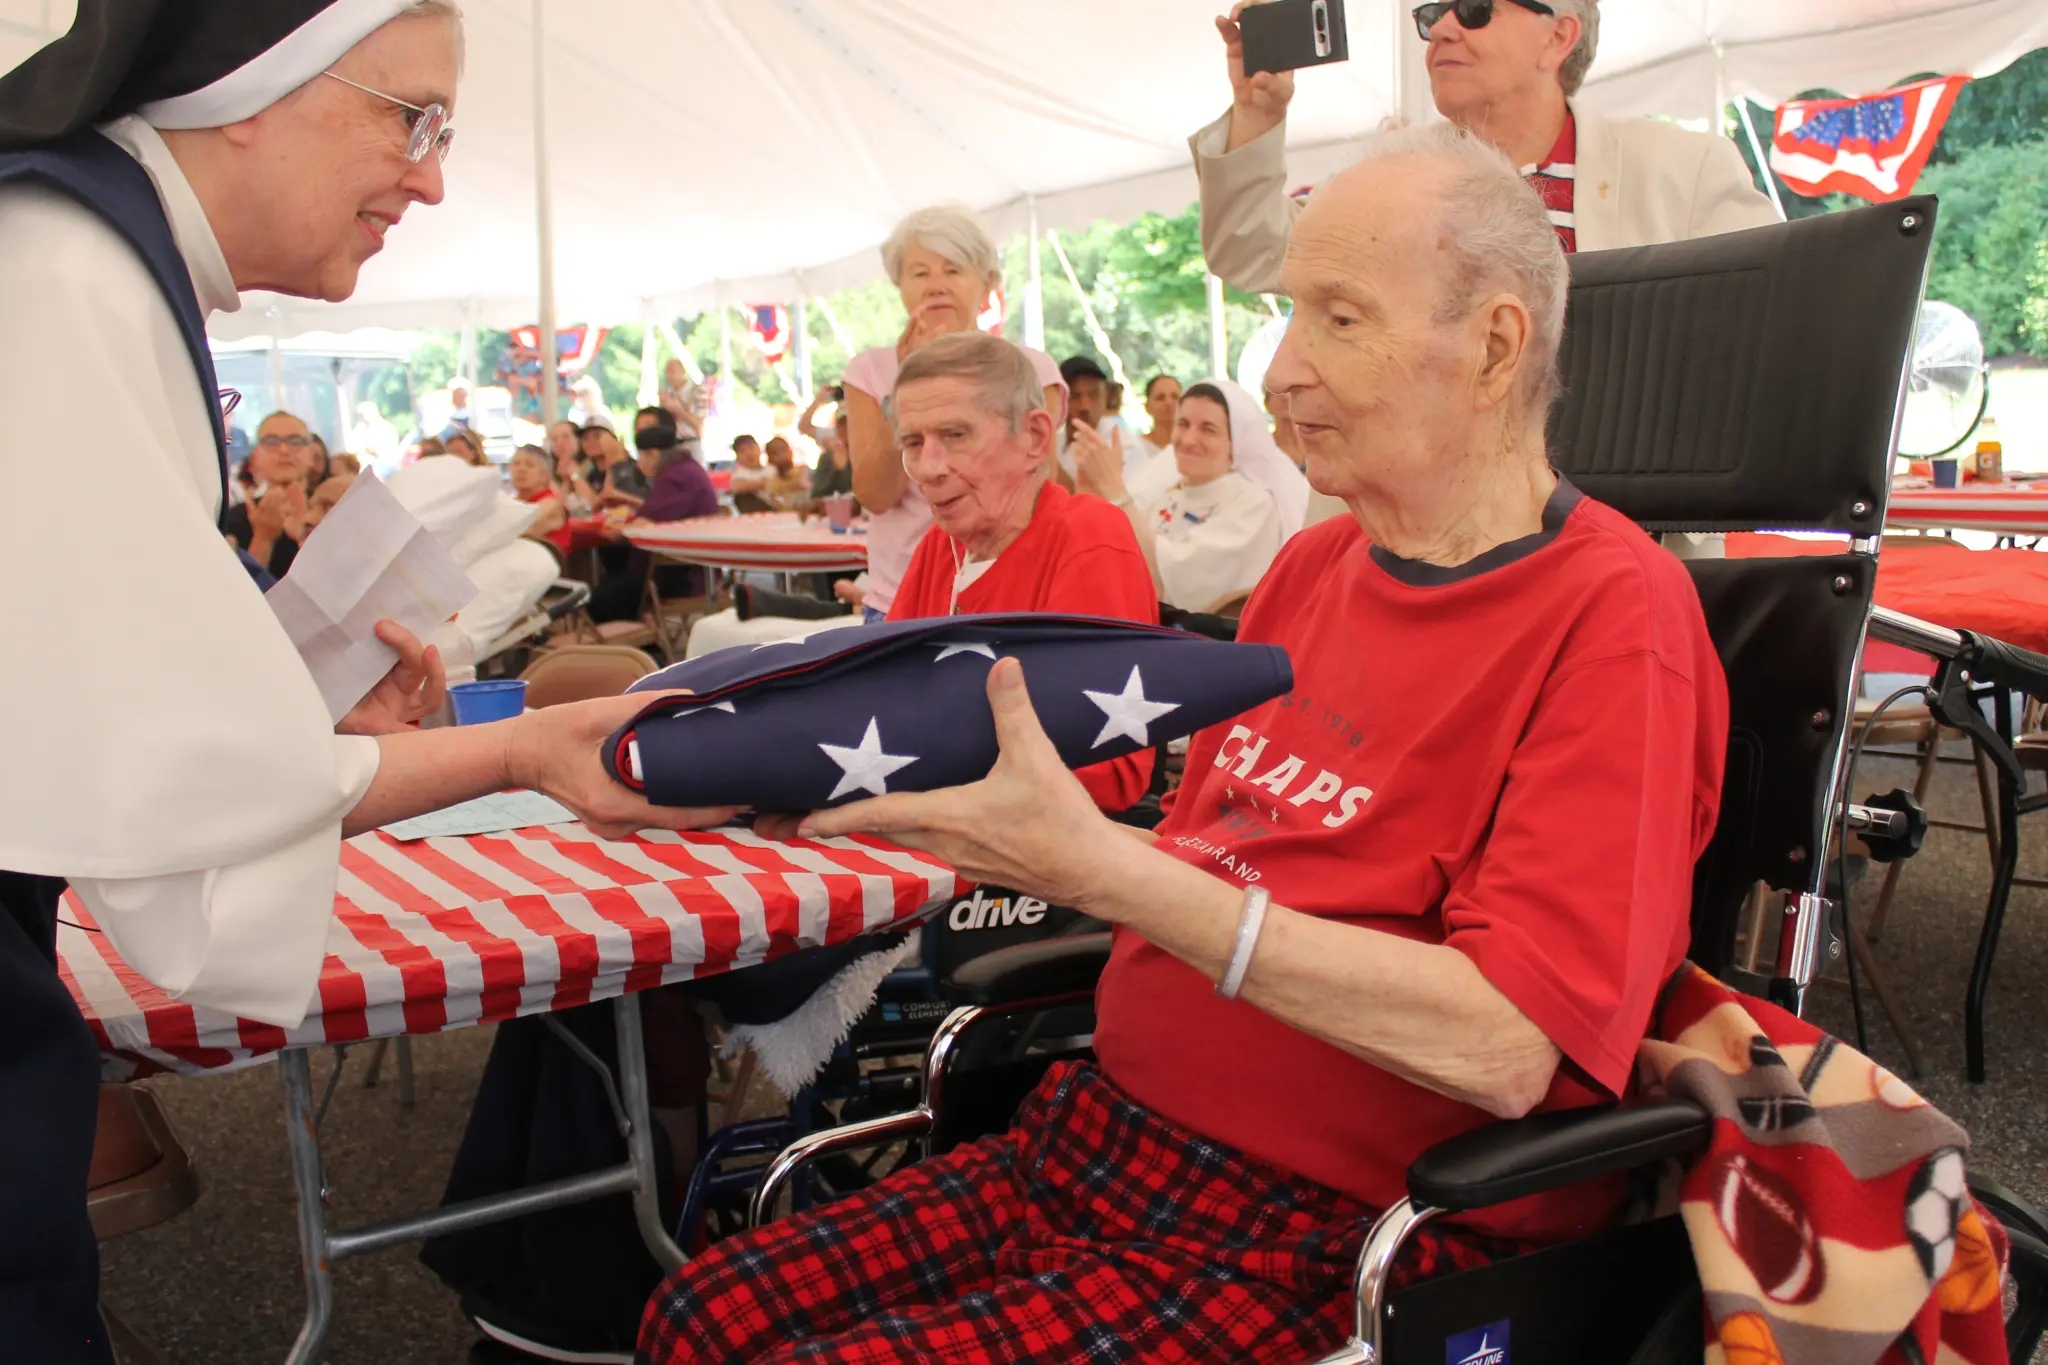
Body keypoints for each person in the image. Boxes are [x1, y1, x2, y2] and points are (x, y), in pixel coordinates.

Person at [639, 124, 1728, 1365]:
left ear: (1491, 347)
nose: (1278, 379)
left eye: (1338, 320)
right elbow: (1213, 854)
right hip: (1102, 1135)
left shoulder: (1615, 617)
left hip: (1334, 1229)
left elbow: (1508, 1045)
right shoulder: (1313, 567)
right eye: (1285, 320)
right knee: (694, 1315)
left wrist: (1092, 868)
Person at [0, 5, 735, 1360]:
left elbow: (87, 710)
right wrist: (526, 748)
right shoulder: (65, 268)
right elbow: (183, 783)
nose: (434, 175)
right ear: (252, 85)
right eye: (415, 116)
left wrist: (277, 718)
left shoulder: (78, 251)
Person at [1193, 0, 1776, 294]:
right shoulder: (1389, 172)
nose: (1443, 28)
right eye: (1433, 15)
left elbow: (1782, 315)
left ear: (1558, 36)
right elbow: (1255, 252)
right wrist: (1257, 113)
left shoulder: (1684, 170)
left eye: (1473, 9)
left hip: (1630, 512)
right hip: (1422, 514)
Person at [884, 332, 1158, 813]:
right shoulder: (939, 547)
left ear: (1033, 437)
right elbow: (877, 698)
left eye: (955, 436)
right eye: (913, 442)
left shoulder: (1089, 538)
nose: (929, 468)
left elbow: (1113, 769)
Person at [841, 203, 1067, 621]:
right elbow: (876, 494)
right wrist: (905, 386)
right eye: (920, 273)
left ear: (987, 285)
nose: (936, 286)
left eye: (954, 269)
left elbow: (1039, 490)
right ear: (901, 286)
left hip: (1007, 594)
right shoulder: (870, 371)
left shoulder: (1033, 370)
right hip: (898, 599)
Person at [1074, 378, 1308, 613]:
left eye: (1208, 429)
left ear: (1235, 442)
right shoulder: (1171, 494)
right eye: (1183, 424)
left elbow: (1165, 580)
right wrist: (1093, 493)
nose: (1187, 440)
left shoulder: (1253, 504)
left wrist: (1115, 489)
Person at [588, 423, 718, 623]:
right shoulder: (687, 469)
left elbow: (646, 524)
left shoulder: (676, 478)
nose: (639, 464)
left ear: (654, 454)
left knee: (597, 599)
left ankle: (639, 643)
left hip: (683, 573)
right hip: (691, 564)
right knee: (612, 560)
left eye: (641, 456)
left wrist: (621, 529)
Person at [222, 409, 313, 577]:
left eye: (295, 441)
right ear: (255, 456)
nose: (284, 450)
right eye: (271, 442)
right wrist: (263, 538)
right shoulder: (235, 519)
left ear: (311, 453)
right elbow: (234, 594)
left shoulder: (333, 508)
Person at [1056, 354, 1149, 486]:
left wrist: (1050, 462)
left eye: (1094, 395)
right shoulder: (1056, 440)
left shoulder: (1124, 447)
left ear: (1105, 396)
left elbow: (1119, 504)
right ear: (1059, 399)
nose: (1085, 406)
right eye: (1075, 396)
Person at [507, 442, 569, 550]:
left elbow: (524, 528)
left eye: (529, 465)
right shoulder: (511, 502)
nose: (521, 469)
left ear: (545, 475)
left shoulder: (552, 504)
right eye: (516, 464)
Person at [727, 432, 772, 512]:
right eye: (742, 451)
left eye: (751, 448)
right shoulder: (740, 474)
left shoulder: (771, 469)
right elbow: (737, 486)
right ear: (737, 457)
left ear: (759, 448)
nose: (749, 453)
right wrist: (764, 483)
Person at [761, 436, 810, 507]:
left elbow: (802, 484)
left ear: (790, 451)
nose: (781, 454)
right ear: (770, 459)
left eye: (783, 449)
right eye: (775, 452)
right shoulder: (771, 481)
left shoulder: (803, 469)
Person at [1140, 372, 1181, 452]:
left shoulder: (1194, 448)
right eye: (1160, 398)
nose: (1168, 403)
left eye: (1175, 397)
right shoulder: (1136, 449)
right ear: (1147, 407)